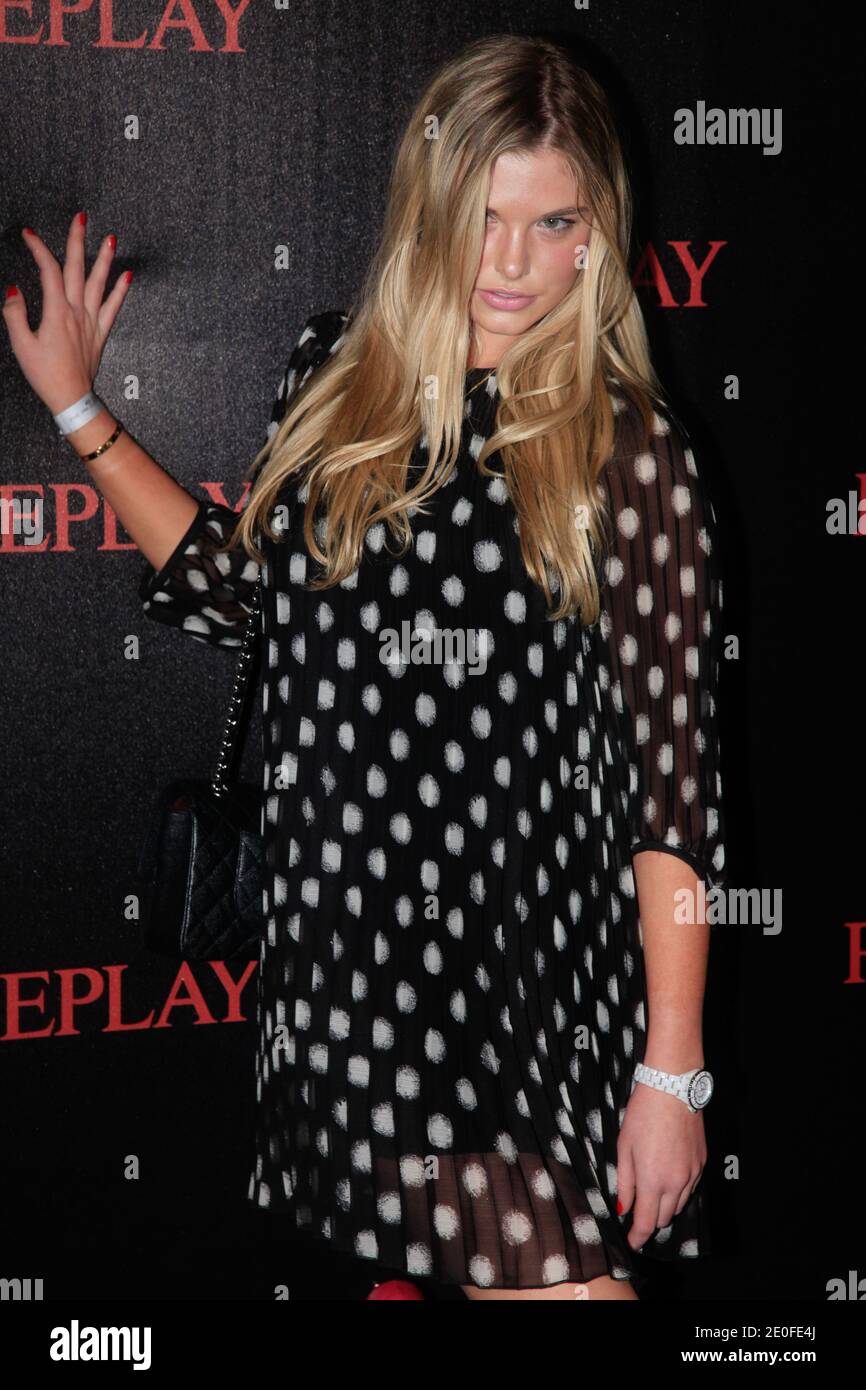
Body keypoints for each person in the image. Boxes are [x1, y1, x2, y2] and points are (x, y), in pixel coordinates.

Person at [3, 33, 728, 1302]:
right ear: (427, 207)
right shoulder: (334, 379)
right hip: (347, 987)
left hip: (525, 995)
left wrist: (671, 1070)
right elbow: (250, 604)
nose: (511, 263)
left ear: (595, 234)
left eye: (552, 221)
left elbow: (672, 790)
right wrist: (81, 412)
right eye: (481, 217)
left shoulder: (630, 451)